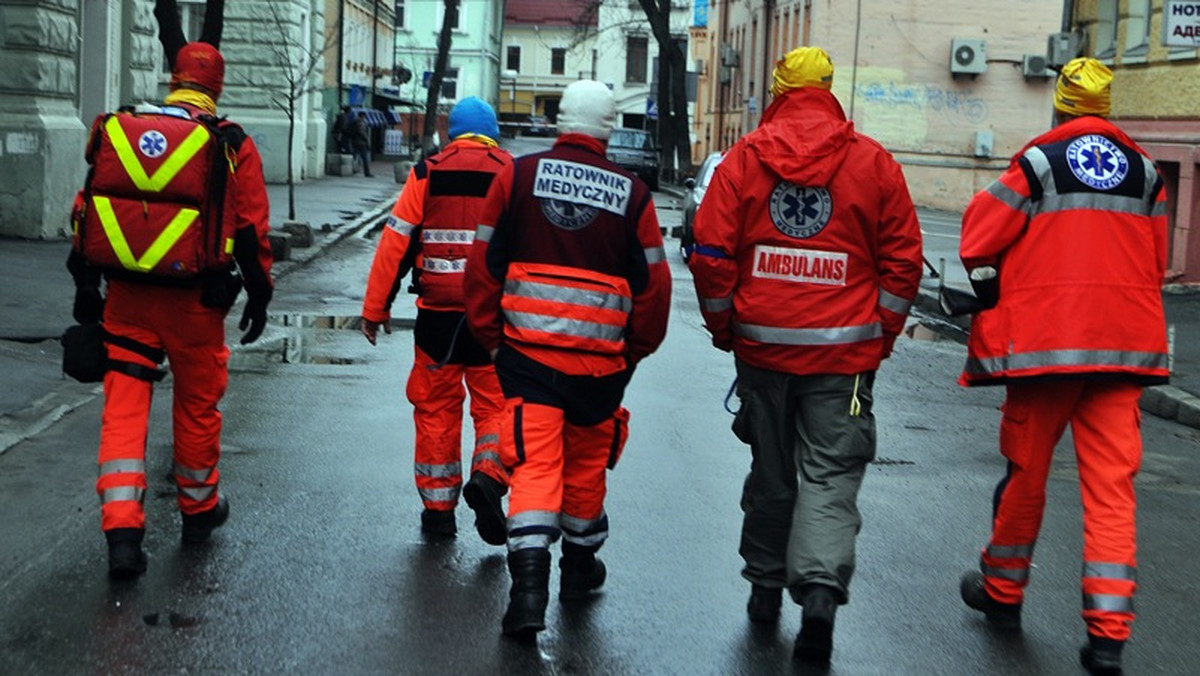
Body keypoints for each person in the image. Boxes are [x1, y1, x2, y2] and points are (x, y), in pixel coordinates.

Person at [688, 46, 923, 663]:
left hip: (762, 352)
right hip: (844, 360)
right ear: (828, 90)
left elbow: (711, 255)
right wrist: (881, 335)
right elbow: (902, 264)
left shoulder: (743, 160)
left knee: (772, 472)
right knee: (830, 475)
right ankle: (817, 595)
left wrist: (724, 329)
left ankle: (765, 588)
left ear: (778, 91)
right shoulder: (873, 164)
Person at [956, 57, 1169, 675]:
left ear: (1062, 104)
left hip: (1048, 350)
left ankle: (1002, 591)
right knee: (1111, 492)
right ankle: (1108, 636)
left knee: (1025, 474)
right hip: (1122, 352)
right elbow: (1153, 263)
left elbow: (977, 237)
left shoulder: (1039, 163)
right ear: (1107, 106)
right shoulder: (1148, 172)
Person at [68, 3, 274, 580]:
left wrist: (87, 286)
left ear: (175, 79)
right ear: (217, 85)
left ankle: (122, 535)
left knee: (125, 412)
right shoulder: (230, 141)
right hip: (195, 305)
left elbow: (85, 210)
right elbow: (252, 230)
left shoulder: (123, 128)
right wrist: (259, 298)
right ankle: (199, 508)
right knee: (196, 405)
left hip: (127, 299)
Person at [464, 79, 671, 640]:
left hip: (528, 360)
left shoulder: (517, 176)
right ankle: (578, 570)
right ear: (608, 128)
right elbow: (653, 286)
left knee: (533, 468)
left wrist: (491, 338)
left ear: (560, 119)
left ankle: (528, 593)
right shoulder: (634, 195)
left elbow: (482, 265)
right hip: (601, 368)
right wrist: (636, 350)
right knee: (583, 469)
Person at [361, 97, 513, 544]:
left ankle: (438, 513)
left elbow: (396, 244)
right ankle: (489, 476)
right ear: (491, 132)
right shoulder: (511, 172)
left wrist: (376, 309)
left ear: (453, 132)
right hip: (493, 321)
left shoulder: (428, 172)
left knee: (436, 412)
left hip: (437, 322)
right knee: (498, 407)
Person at [352, 111, 373, 177]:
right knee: (364, 158)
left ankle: (353, 169)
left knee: (354, 156)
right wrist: (367, 139)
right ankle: (367, 173)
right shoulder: (360, 123)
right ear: (363, 116)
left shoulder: (354, 121)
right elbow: (362, 132)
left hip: (354, 141)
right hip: (361, 142)